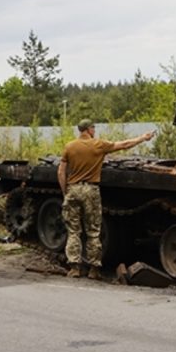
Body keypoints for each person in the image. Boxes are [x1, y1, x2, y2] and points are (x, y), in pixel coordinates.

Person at [58, 119, 154, 279]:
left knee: (73, 231)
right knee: (93, 232)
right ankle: (94, 269)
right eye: (93, 128)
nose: (94, 130)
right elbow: (123, 144)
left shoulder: (69, 146)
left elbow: (61, 172)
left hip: (73, 189)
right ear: (89, 129)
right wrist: (143, 138)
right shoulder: (99, 145)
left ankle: (74, 268)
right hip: (91, 190)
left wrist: (65, 192)